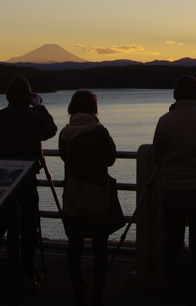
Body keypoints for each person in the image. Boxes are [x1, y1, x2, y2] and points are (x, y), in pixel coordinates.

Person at [151, 76, 196, 303]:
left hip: (172, 187)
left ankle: (172, 285)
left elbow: (158, 154)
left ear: (175, 96)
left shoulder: (165, 120)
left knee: (172, 240)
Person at [0, 75, 57, 290]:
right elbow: (50, 131)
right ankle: (26, 274)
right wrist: (39, 107)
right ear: (28, 96)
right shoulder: (33, 116)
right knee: (28, 227)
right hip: (26, 179)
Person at [59, 90, 123, 306]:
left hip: (74, 195)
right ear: (93, 108)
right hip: (98, 195)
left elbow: (63, 156)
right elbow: (110, 158)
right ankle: (98, 293)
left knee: (74, 246)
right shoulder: (100, 131)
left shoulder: (65, 134)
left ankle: (79, 292)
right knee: (100, 246)